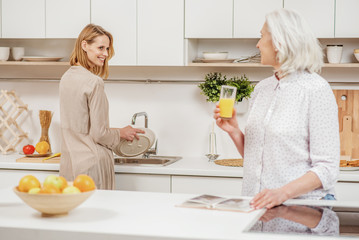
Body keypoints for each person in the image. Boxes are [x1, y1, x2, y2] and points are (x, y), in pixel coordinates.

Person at [214, 9, 339, 209]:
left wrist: (282, 193)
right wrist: (234, 131)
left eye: (262, 36)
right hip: (257, 208)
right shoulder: (262, 89)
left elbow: (327, 168)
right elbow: (257, 158)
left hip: (302, 211)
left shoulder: (316, 90)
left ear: (281, 42)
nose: (257, 44)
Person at [59, 24, 144, 190]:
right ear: (84, 45)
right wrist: (121, 133)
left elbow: (81, 126)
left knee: (74, 214)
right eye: (100, 48)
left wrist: (117, 130)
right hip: (92, 165)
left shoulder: (66, 77)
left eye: (107, 48)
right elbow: (99, 135)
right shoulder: (94, 82)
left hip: (70, 164)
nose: (105, 54)